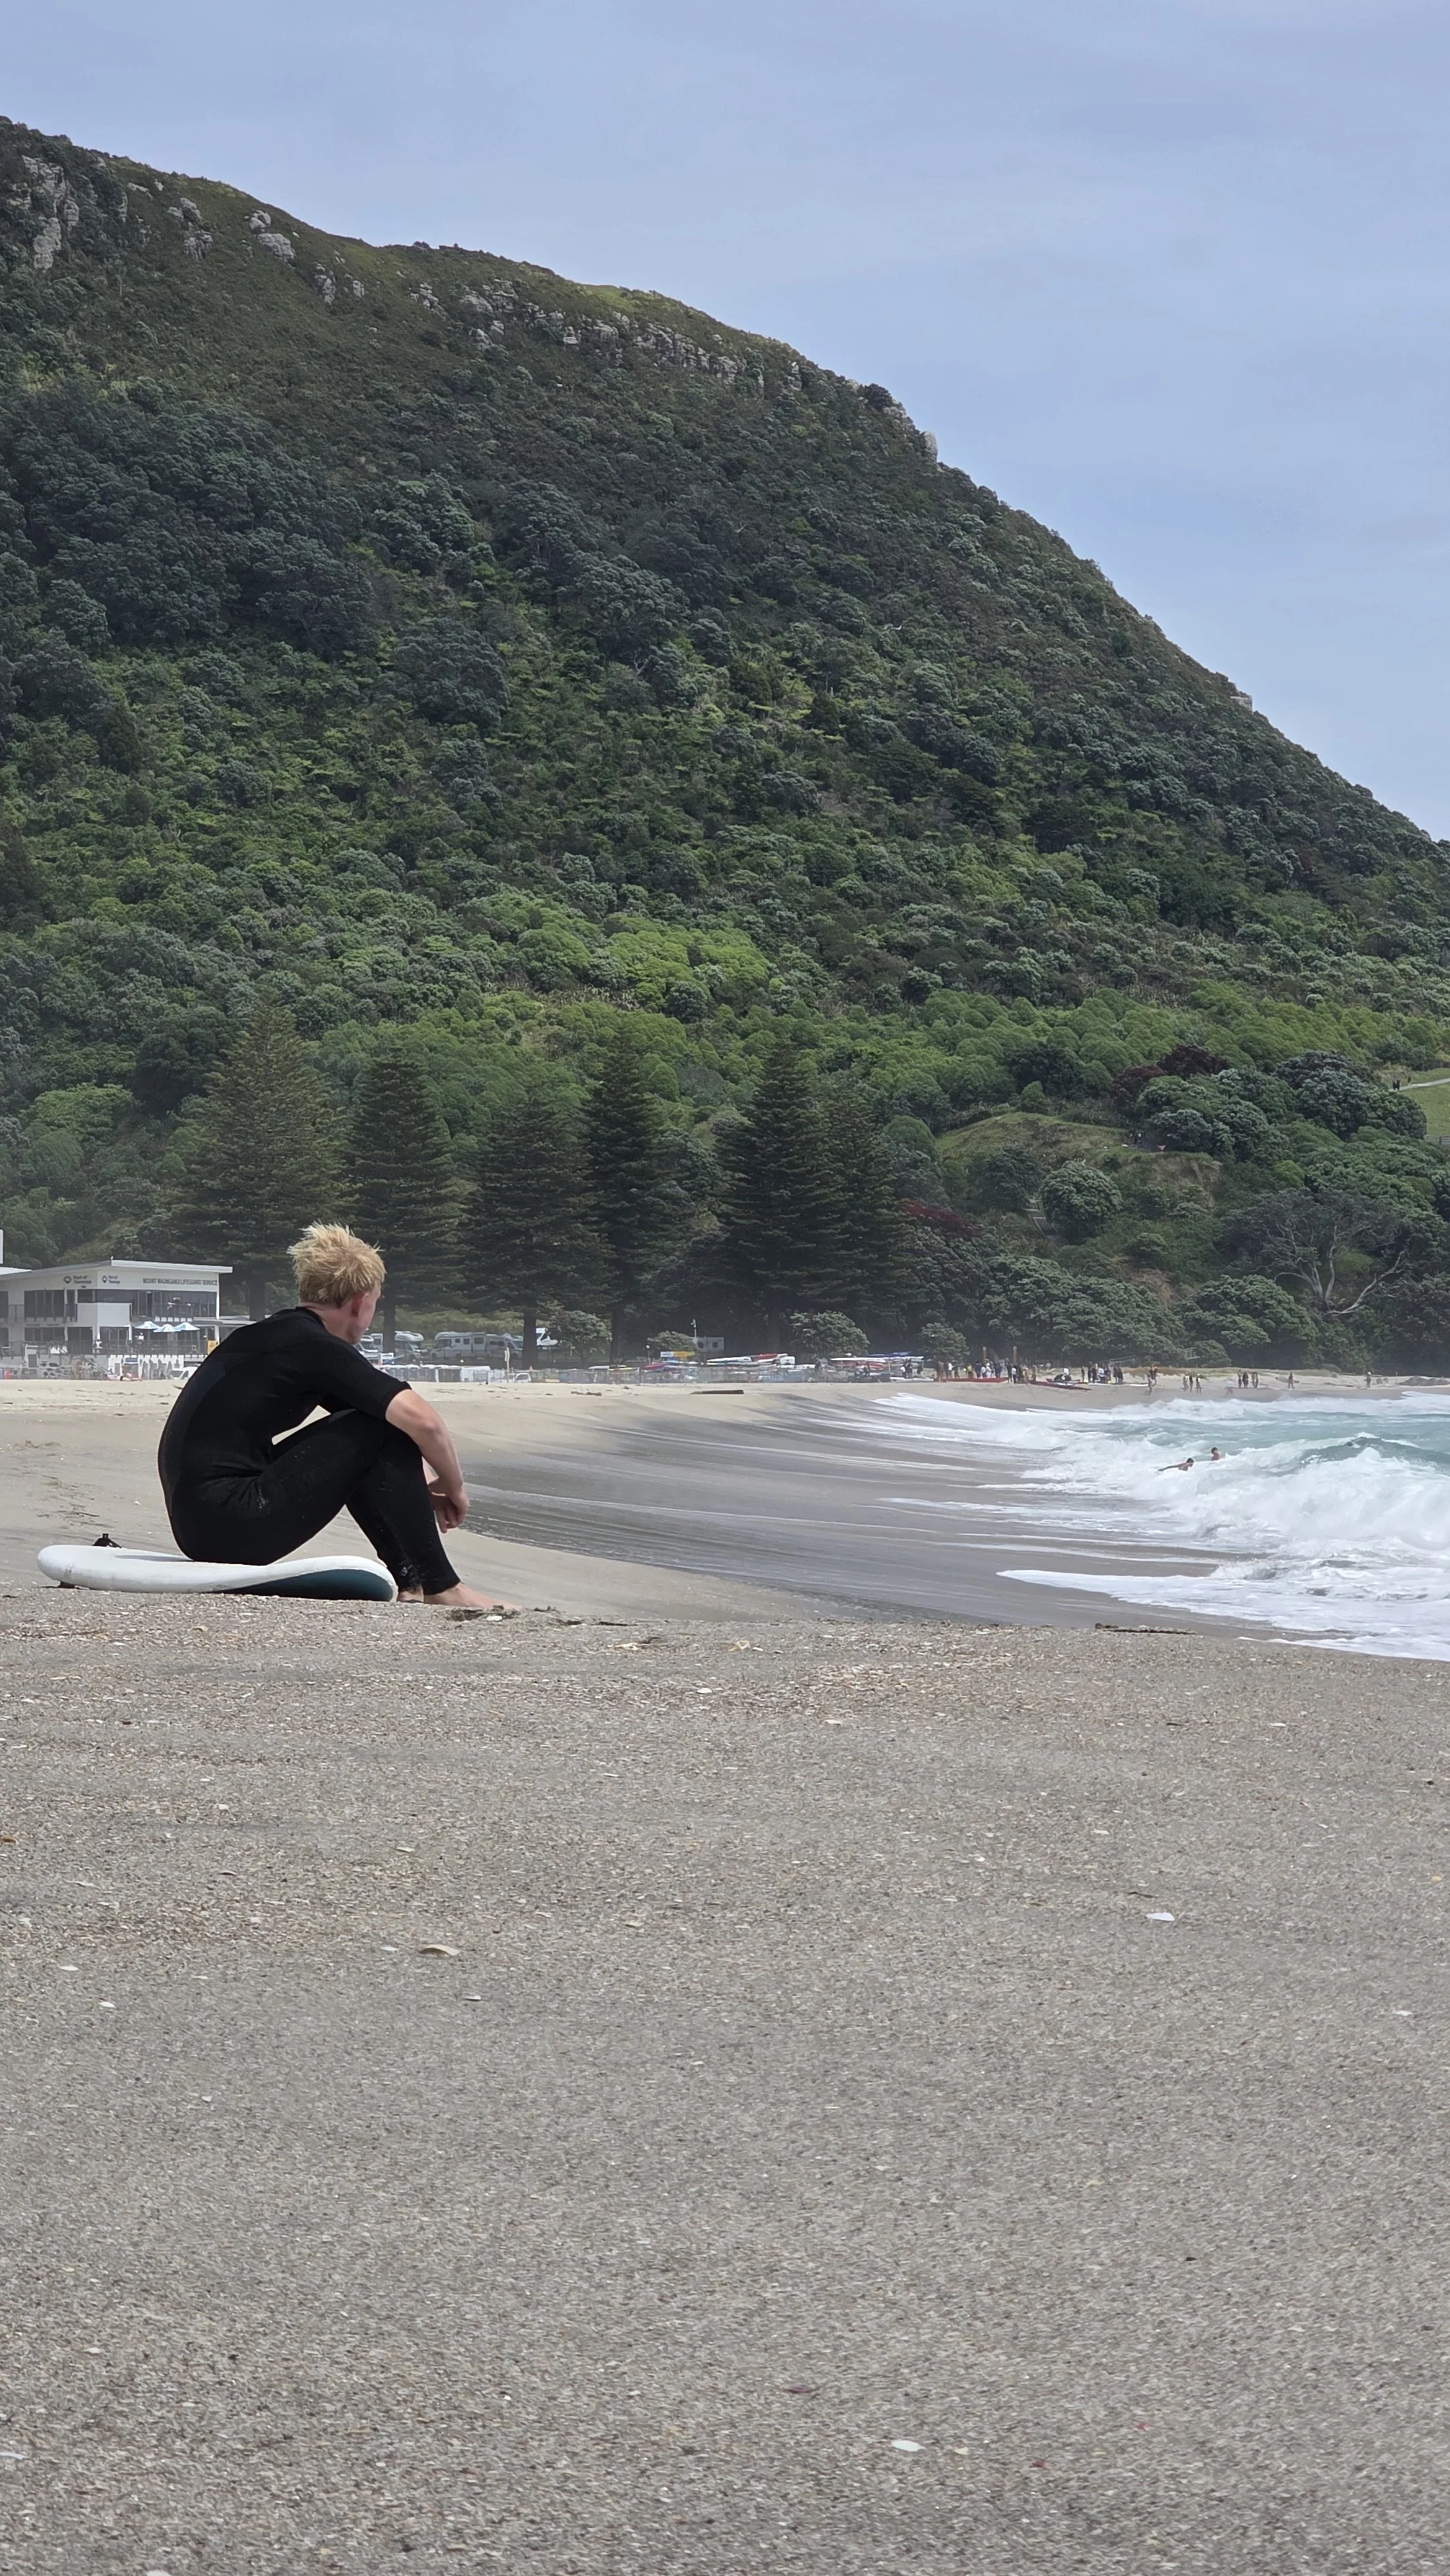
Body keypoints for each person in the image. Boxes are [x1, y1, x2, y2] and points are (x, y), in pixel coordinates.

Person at [158, 1223, 513, 1613]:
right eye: (376, 1303)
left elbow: (353, 1438)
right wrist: (454, 1486)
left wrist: (422, 1485)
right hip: (231, 1524)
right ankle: (441, 1586)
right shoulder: (314, 1347)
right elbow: (424, 1422)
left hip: (200, 1523)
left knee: (371, 1423)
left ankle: (412, 1582)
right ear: (360, 1303)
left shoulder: (275, 1336)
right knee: (380, 1426)